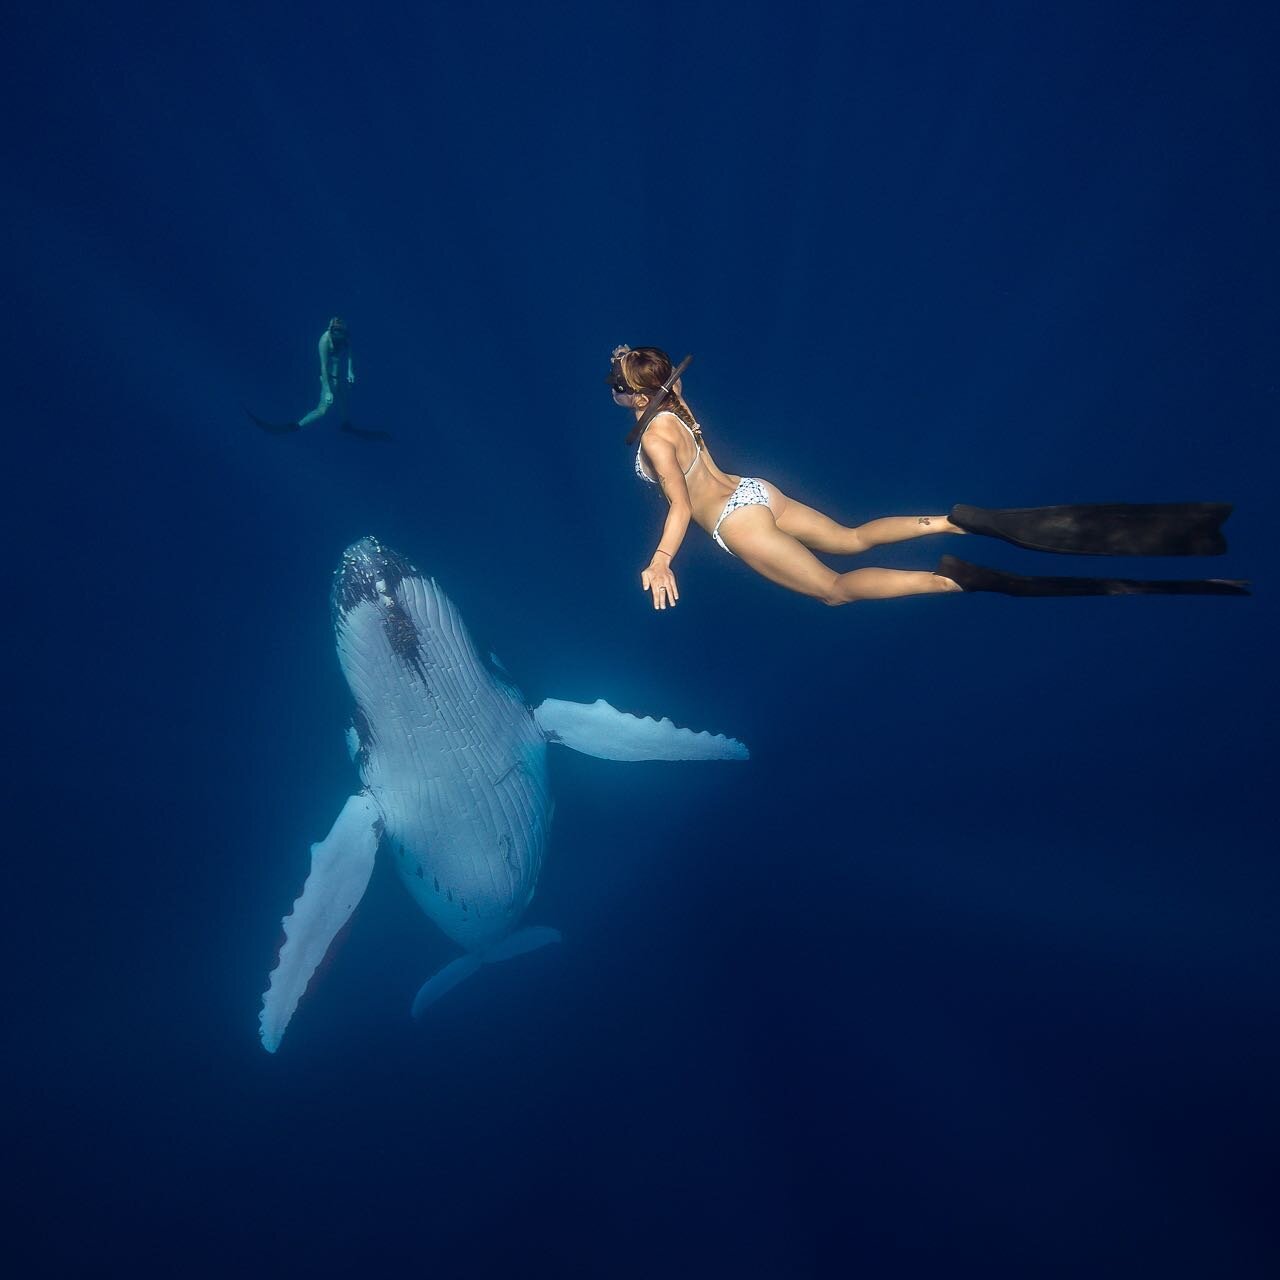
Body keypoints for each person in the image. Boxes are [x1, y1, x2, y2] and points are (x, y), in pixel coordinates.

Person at [608, 345, 1249, 611]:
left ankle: (947, 579)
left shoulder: (656, 434)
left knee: (835, 590)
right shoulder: (676, 397)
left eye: (617, 389)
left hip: (732, 520)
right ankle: (952, 520)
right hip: (757, 491)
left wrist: (663, 559)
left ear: (635, 398)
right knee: (854, 538)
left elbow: (677, 505)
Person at [298, 316, 355, 427]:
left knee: (343, 402)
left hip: (336, 377)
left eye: (340, 331)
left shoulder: (343, 337)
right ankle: (297, 425)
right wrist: (327, 389)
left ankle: (346, 425)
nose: (338, 334)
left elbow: (349, 351)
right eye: (335, 330)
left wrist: (350, 371)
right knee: (323, 410)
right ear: (331, 329)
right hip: (326, 377)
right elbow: (323, 366)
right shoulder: (324, 340)